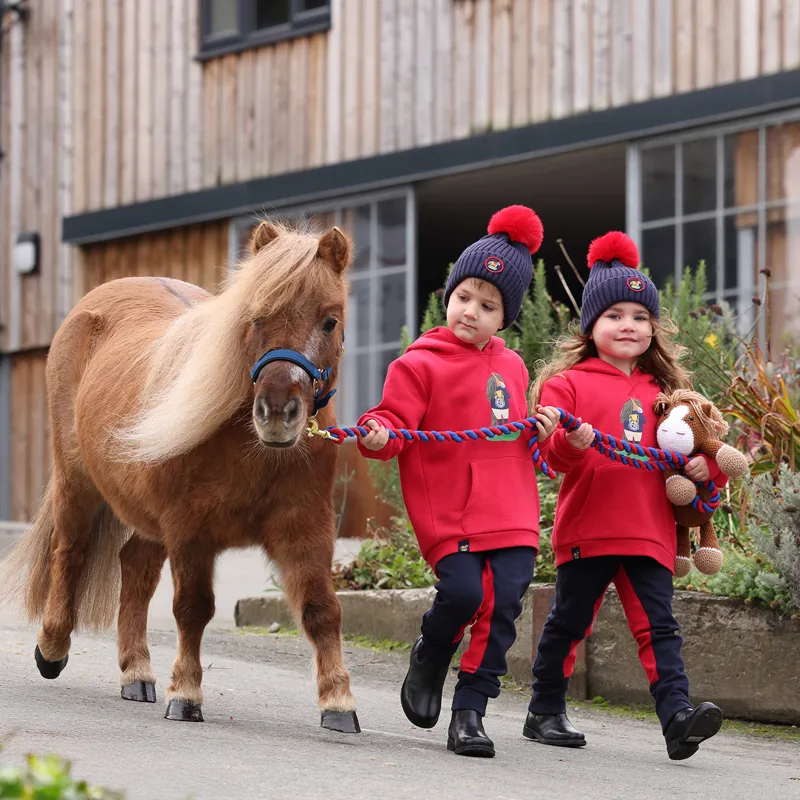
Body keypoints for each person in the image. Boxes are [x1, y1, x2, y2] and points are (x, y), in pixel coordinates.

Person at [357, 205, 560, 758]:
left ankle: (470, 711)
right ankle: (432, 648)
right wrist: (378, 432)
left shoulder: (514, 368)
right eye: (463, 297)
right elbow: (394, 423)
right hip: (453, 510)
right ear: (448, 296)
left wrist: (539, 431)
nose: (471, 311)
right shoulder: (417, 365)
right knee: (467, 594)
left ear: (506, 316)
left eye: (488, 305)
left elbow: (513, 434)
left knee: (503, 605)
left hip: (512, 509)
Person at [523, 231, 726, 761]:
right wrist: (571, 440)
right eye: (615, 315)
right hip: (589, 529)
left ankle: (677, 719)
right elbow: (549, 461)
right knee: (570, 621)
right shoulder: (566, 385)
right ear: (592, 325)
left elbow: (696, 453)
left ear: (653, 328)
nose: (628, 325)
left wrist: (704, 467)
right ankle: (544, 709)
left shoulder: (668, 396)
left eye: (640, 315)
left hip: (649, 530)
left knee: (659, 626)